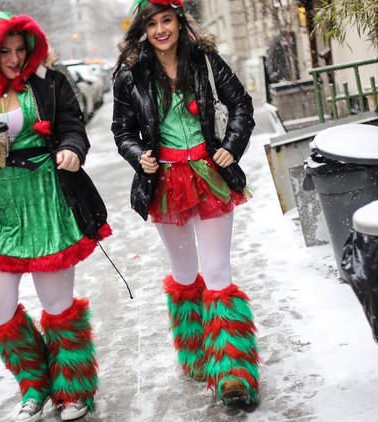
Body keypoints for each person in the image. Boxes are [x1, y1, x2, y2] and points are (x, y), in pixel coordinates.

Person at [0, 10, 110, 422]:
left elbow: (74, 127)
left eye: (21, 49)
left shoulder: (49, 80)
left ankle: (74, 389)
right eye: (6, 51)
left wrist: (72, 150)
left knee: (58, 304)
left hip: (46, 199)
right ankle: (34, 384)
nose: (15, 59)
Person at [111, 0, 259, 406]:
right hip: (164, 183)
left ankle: (233, 372)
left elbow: (241, 104)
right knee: (184, 273)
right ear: (143, 27)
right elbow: (121, 129)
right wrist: (136, 154)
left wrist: (231, 145)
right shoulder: (131, 75)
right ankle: (197, 352)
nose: (161, 30)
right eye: (153, 23)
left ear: (179, 21)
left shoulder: (205, 60)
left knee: (217, 271)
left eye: (167, 20)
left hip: (208, 175)